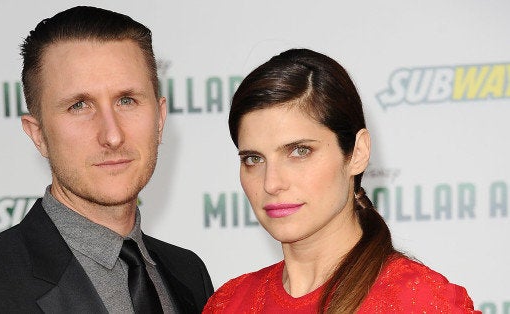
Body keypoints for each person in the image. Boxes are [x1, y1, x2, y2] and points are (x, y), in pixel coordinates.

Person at [0, 6, 213, 313]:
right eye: (79, 106)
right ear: (38, 133)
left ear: (160, 119)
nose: (112, 136)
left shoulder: (188, 274)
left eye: (127, 100)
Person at [203, 48, 479, 313]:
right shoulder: (229, 303)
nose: (271, 183)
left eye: (300, 151)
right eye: (253, 159)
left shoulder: (422, 302)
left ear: (358, 153)